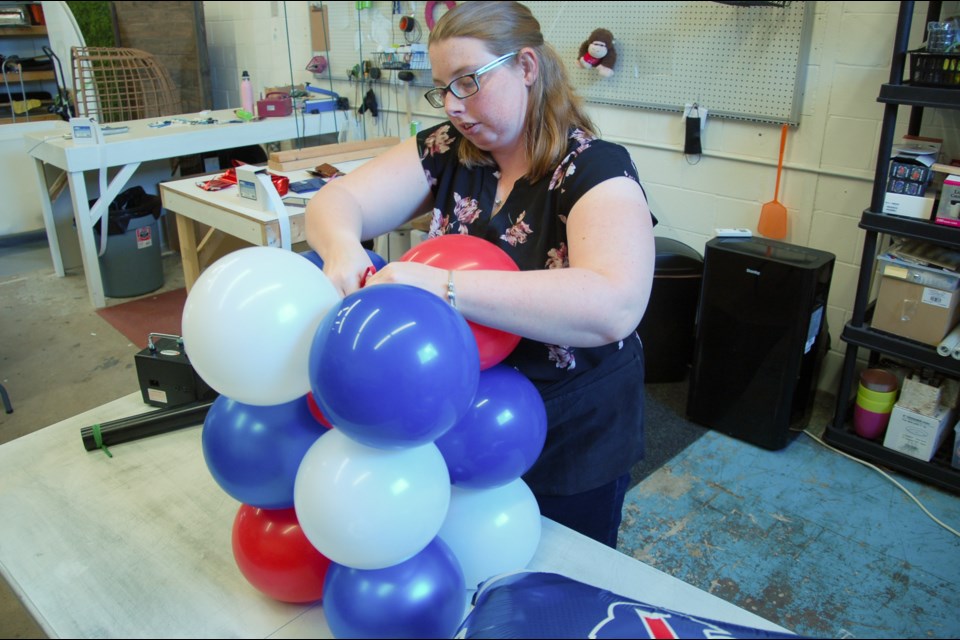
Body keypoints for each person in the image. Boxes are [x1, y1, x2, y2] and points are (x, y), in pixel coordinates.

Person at [305, 0, 655, 548]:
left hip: (570, 426)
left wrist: (443, 288)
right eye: (442, 87)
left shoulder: (594, 167)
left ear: (526, 68)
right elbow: (338, 199)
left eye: (468, 82)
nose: (453, 106)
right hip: (462, 419)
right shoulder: (450, 152)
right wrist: (342, 248)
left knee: (557, 577)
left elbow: (613, 303)